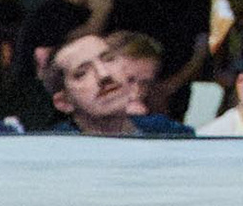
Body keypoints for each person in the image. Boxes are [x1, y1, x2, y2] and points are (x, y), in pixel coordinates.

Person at [39, 30, 190, 139]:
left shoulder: (169, 133)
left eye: (109, 59)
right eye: (82, 73)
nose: (104, 74)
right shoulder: (53, 150)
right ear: (64, 102)